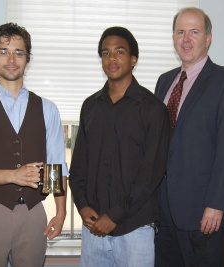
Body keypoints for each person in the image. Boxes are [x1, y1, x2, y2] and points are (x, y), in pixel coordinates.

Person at [0, 22, 68, 267]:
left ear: (27, 59)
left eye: (19, 52)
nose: (11, 59)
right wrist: (14, 175)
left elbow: (56, 166)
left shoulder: (47, 109)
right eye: (3, 51)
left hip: (33, 214)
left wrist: (60, 213)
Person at [69, 26, 170, 267]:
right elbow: (78, 166)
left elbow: (151, 174)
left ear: (133, 59)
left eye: (120, 52)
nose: (111, 58)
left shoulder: (153, 109)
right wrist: (82, 206)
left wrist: (114, 215)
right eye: (105, 53)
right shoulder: (90, 106)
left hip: (134, 228)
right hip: (93, 228)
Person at [154, 7, 224, 267]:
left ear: (208, 38)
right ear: (173, 37)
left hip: (204, 214)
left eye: (194, 32)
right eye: (180, 32)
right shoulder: (164, 82)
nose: (186, 39)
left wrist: (216, 204)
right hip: (164, 214)